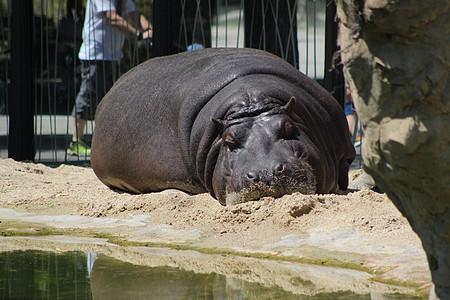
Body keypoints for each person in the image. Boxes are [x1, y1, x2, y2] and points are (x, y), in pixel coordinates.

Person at [67, 0, 152, 156]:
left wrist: (150, 29)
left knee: (119, 97)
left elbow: (134, 15)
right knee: (88, 96)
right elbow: (112, 18)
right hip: (95, 55)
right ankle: (76, 141)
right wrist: (139, 34)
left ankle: (113, 142)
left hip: (114, 56)